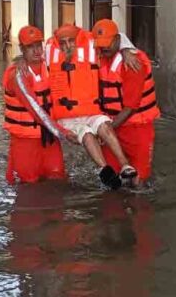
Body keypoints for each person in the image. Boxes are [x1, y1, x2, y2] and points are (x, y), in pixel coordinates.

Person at [46, 24, 137, 188]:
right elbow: (31, 55)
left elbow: (116, 37)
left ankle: (125, 165)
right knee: (87, 134)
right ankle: (105, 171)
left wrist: (126, 50)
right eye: (63, 43)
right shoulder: (48, 50)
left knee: (104, 125)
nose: (67, 46)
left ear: (77, 39)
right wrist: (20, 61)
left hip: (90, 110)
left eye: (71, 41)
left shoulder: (90, 43)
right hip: (66, 117)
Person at [92, 19, 160, 186]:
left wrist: (106, 131)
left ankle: (140, 209)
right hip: (112, 125)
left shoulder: (133, 63)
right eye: (100, 44)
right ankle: (113, 211)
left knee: (139, 181)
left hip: (137, 128)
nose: (104, 48)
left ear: (117, 41)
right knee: (111, 180)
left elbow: (131, 107)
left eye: (107, 43)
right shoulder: (100, 56)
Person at [2, 25, 66, 184]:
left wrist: (126, 49)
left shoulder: (50, 65)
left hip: (49, 137)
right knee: (28, 184)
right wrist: (64, 133)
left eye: (39, 45)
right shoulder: (16, 74)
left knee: (57, 178)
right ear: (22, 49)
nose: (37, 51)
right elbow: (35, 110)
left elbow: (75, 43)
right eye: (31, 47)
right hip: (26, 140)